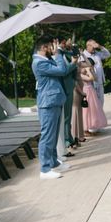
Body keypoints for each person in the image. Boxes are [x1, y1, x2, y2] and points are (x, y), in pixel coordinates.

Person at [31, 37, 76, 180]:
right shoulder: (39, 63)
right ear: (44, 47)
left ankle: (54, 162)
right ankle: (44, 169)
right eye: (51, 46)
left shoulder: (44, 60)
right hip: (48, 103)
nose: (53, 48)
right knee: (47, 136)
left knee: (54, 135)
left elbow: (60, 69)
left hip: (54, 100)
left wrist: (56, 55)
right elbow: (62, 70)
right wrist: (58, 54)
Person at [81, 58, 107, 134]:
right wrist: (88, 71)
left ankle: (93, 126)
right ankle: (85, 129)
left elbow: (95, 78)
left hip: (91, 91)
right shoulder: (80, 74)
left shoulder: (87, 72)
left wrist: (91, 70)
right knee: (86, 110)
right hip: (85, 91)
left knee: (93, 109)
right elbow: (90, 78)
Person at [82, 39, 110, 110]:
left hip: (100, 82)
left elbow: (108, 54)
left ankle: (100, 118)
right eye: (93, 45)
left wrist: (100, 47)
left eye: (95, 45)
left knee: (101, 102)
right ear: (88, 46)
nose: (94, 47)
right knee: (93, 103)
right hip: (91, 83)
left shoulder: (97, 53)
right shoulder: (83, 55)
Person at [70, 58, 88, 146]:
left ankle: (80, 135)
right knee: (75, 112)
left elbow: (89, 64)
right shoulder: (72, 66)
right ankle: (74, 135)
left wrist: (83, 55)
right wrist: (81, 92)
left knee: (79, 112)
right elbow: (74, 82)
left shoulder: (78, 64)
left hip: (80, 90)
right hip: (76, 91)